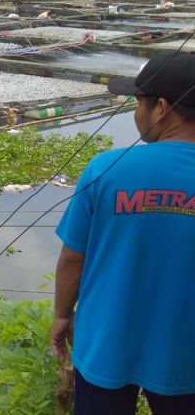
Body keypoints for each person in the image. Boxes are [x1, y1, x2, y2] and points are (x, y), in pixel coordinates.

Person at [52, 51, 195, 414]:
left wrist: (62, 315)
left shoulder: (106, 169)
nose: (135, 114)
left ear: (161, 108)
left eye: (137, 103)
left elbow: (73, 257)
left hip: (106, 345)